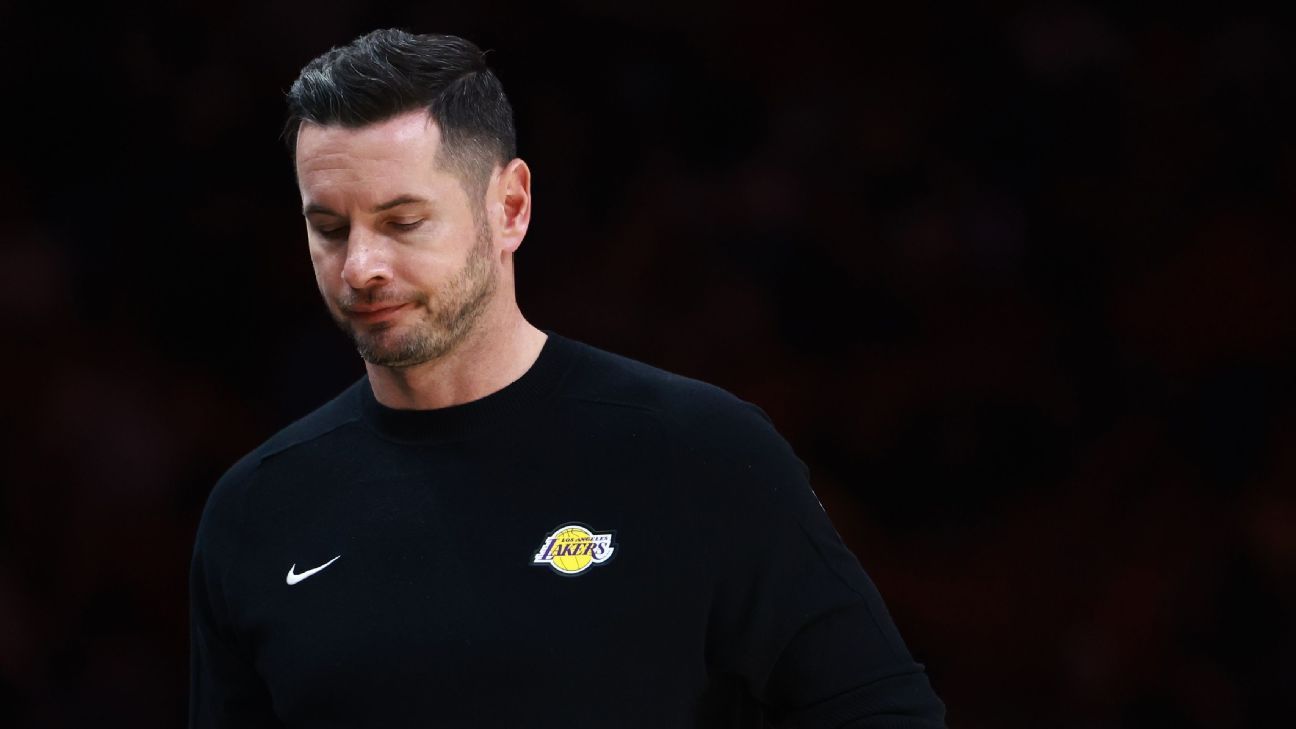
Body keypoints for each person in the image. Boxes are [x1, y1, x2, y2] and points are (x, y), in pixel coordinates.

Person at [188, 28, 947, 729]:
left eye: (403, 221)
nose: (360, 267)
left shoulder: (701, 453)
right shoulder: (255, 512)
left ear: (510, 207)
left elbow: (885, 714)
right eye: (329, 228)